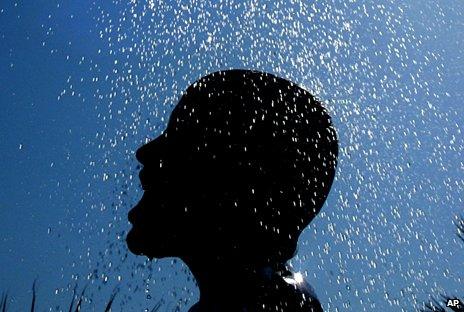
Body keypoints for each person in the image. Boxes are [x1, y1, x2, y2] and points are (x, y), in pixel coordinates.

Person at [126, 69, 338, 311]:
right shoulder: (269, 298)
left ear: (236, 183)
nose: (145, 153)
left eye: (180, 138)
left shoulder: (270, 304)